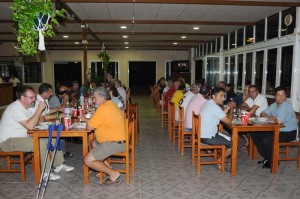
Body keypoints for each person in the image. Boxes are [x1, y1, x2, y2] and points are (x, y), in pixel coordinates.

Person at [0, 86, 74, 180]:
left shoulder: (26, 107)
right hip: (8, 141)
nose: (34, 100)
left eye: (34, 97)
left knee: (52, 138)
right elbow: (30, 126)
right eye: (31, 98)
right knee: (40, 144)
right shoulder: (16, 108)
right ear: (23, 98)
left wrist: (38, 117)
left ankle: (59, 165)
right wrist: (39, 109)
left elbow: (37, 121)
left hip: (23, 137)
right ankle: (45, 173)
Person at [79, 87, 125, 185]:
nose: (93, 100)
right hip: (118, 140)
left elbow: (89, 128)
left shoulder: (103, 109)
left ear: (102, 97)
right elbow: (100, 121)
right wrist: (88, 120)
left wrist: (87, 121)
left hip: (114, 143)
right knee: (93, 142)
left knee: (87, 160)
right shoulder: (111, 104)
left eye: (95, 97)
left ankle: (113, 174)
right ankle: (106, 167)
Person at [251, 86, 297, 168]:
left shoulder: (286, 105)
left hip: (288, 132)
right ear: (275, 97)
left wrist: (271, 118)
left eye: (283, 94)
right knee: (255, 133)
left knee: (267, 139)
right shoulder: (274, 104)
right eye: (278, 95)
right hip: (277, 130)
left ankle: (273, 161)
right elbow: (262, 113)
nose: (281, 97)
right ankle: (268, 158)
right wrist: (269, 117)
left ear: (286, 96)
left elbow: (278, 122)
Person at [199, 87, 235, 170]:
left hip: (203, 134)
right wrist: (232, 108)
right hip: (209, 137)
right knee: (234, 144)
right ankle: (220, 160)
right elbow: (229, 121)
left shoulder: (208, 103)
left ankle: (223, 157)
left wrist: (228, 108)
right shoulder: (214, 107)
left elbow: (220, 114)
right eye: (221, 96)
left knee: (227, 136)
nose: (223, 98)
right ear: (213, 97)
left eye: (224, 96)